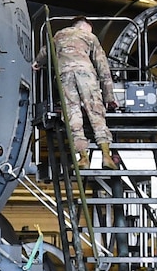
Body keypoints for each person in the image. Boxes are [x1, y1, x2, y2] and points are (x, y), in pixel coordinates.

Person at [47, 17, 116, 168]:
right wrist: (109, 96)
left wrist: (37, 64)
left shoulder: (58, 35)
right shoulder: (90, 36)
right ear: (84, 27)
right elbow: (103, 67)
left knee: (73, 115)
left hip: (65, 77)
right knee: (96, 113)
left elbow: (45, 53)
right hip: (87, 76)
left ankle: (83, 157)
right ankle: (106, 156)